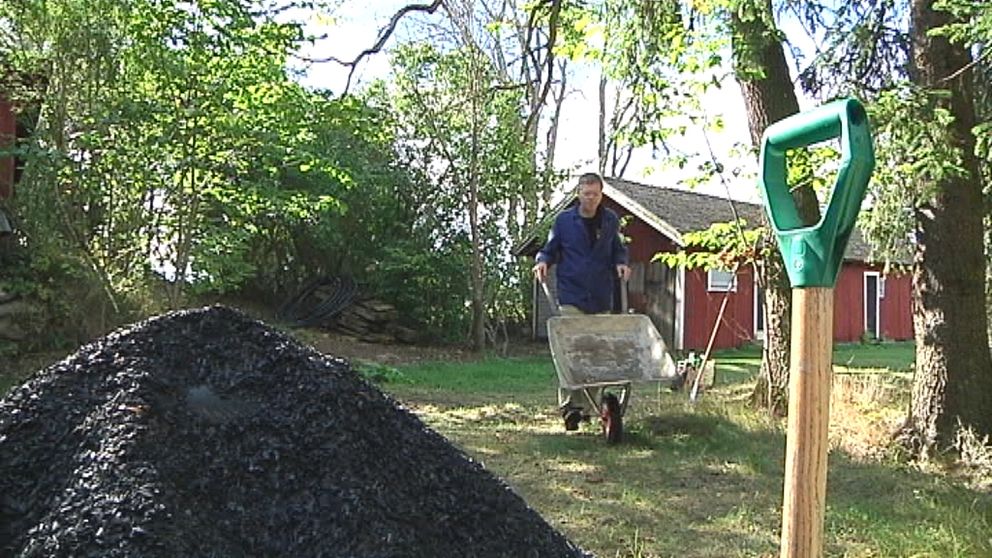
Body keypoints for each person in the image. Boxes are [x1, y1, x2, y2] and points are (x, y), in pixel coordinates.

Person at [532, 172, 631, 431]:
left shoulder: (610, 221)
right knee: (571, 353)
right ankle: (570, 407)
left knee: (598, 354)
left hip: (601, 296)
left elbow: (618, 250)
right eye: (586, 194)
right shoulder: (564, 221)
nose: (590, 199)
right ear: (579, 194)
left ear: (601, 195)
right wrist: (542, 261)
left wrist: (621, 264)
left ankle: (592, 408)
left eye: (595, 194)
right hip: (572, 295)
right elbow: (549, 248)